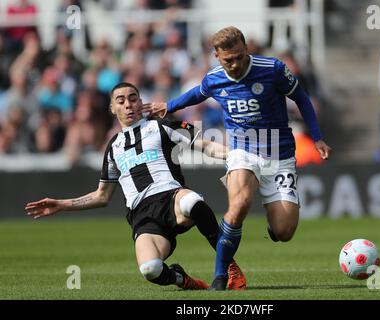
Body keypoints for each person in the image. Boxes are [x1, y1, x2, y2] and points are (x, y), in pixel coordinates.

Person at [145, 26, 332, 290]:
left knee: (284, 232)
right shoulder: (215, 78)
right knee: (240, 203)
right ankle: (221, 276)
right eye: (228, 59)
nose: (234, 64)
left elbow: (301, 97)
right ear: (217, 56)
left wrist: (317, 136)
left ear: (246, 50)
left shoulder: (273, 69)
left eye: (239, 57)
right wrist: (170, 105)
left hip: (279, 154)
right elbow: (198, 93)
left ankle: (274, 222)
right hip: (242, 150)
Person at [25, 82, 246, 291]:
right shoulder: (113, 147)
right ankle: (182, 278)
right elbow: (102, 196)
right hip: (143, 215)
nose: (128, 104)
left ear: (141, 103)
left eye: (132, 99)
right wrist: (62, 205)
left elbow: (205, 146)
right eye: (120, 101)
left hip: (171, 197)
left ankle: (228, 268)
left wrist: (240, 156)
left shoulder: (161, 126)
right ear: (112, 108)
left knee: (193, 202)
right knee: (151, 270)